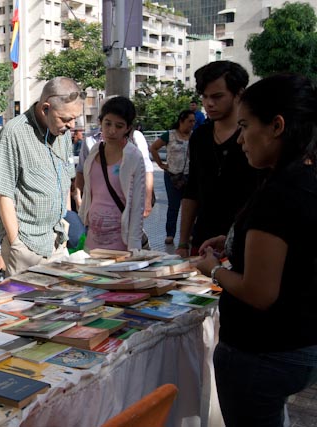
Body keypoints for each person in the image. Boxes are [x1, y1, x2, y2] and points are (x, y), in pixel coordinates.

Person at [195, 73, 317, 427]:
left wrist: (213, 271)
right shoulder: (304, 178)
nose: (241, 140)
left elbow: (259, 292)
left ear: (277, 126)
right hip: (298, 343)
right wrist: (233, 240)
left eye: (246, 126)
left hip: (263, 351)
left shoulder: (279, 193)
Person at [0, 77, 83, 276]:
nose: (71, 125)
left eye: (75, 118)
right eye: (66, 119)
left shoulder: (63, 135)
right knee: (26, 306)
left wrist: (65, 224)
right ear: (45, 108)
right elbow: (2, 192)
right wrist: (16, 243)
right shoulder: (14, 132)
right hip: (26, 245)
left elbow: (65, 179)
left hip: (57, 240)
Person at [176, 61, 258, 257]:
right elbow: (192, 190)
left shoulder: (256, 136)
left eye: (217, 96)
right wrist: (182, 243)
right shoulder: (200, 136)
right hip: (202, 242)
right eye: (204, 97)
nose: (208, 103)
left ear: (239, 93)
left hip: (244, 244)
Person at [77, 96, 146, 251]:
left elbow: (137, 206)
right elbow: (88, 193)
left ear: (128, 128)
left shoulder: (133, 156)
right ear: (100, 122)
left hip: (120, 242)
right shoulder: (95, 151)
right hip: (92, 240)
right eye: (107, 123)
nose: (112, 130)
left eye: (119, 126)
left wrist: (134, 248)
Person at [149, 110, 196, 244]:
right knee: (173, 205)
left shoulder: (194, 136)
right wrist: (161, 164)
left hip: (189, 175)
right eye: (190, 121)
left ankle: (190, 233)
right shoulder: (169, 135)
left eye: (194, 121)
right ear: (182, 121)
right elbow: (153, 148)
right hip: (172, 175)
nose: (192, 124)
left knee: (190, 206)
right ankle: (170, 234)